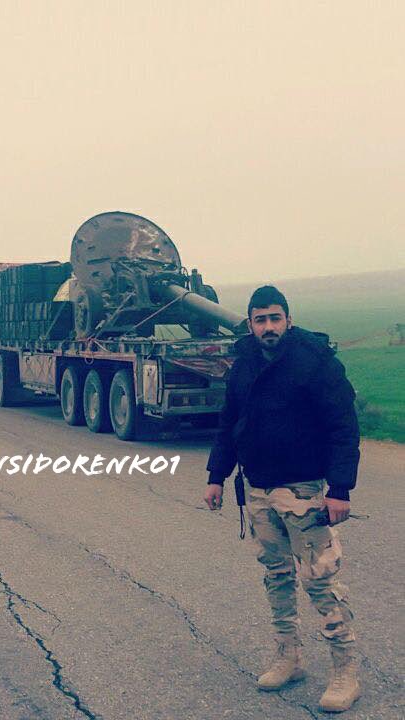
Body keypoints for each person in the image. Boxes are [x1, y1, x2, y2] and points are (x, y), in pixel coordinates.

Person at [204, 285, 361, 713]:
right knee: (276, 577)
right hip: (257, 491)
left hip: (305, 491)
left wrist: (341, 489)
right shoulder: (244, 364)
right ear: (251, 323)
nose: (268, 327)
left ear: (287, 320)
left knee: (320, 580)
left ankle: (345, 671)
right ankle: (288, 658)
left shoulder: (315, 362)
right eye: (260, 320)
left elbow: (344, 427)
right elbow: (228, 423)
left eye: (275, 318)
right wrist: (216, 476)